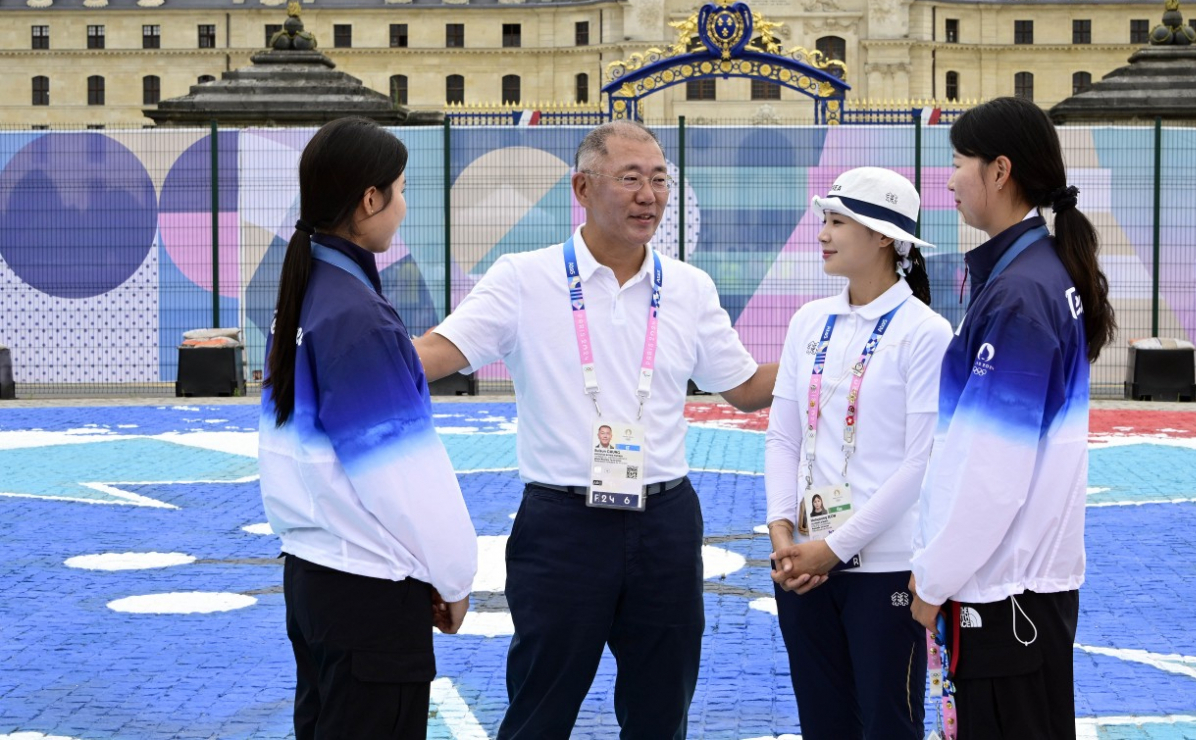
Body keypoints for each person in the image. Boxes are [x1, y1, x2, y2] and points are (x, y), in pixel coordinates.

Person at [414, 119, 777, 740]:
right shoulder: (523, 278)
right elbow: (435, 355)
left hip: (664, 523)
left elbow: (743, 388)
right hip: (563, 528)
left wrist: (830, 355)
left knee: (662, 707)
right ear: (582, 187)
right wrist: (337, 349)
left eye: (659, 180)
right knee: (541, 703)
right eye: (630, 178)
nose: (649, 195)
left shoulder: (688, 287)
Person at [257, 117, 478, 740]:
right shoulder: (358, 313)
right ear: (370, 199)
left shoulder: (307, 291)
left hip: (313, 575)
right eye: (400, 190)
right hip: (367, 592)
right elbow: (404, 476)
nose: (404, 207)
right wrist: (454, 578)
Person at [909, 97, 1116, 739]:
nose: (948, 179)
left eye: (958, 161)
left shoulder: (1023, 290)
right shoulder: (1036, 273)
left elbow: (993, 470)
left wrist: (933, 579)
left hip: (1004, 592)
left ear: (999, 171)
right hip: (1026, 587)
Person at [767, 166, 952, 739]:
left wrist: (836, 549)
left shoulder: (926, 333)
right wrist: (784, 538)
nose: (822, 232)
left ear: (883, 238)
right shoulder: (808, 322)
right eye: (824, 218)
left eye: (838, 221)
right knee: (823, 724)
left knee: (888, 724)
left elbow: (920, 465)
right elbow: (782, 436)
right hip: (803, 565)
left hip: (885, 568)